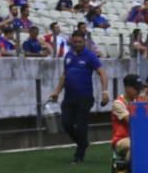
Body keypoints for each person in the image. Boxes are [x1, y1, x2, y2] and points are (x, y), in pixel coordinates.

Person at [46, 28, 108, 164]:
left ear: (84, 42)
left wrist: (105, 92)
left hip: (84, 97)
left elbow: (102, 73)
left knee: (81, 125)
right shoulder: (68, 56)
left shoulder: (90, 56)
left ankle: (79, 155)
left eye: (80, 42)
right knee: (66, 123)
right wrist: (56, 91)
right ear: (72, 42)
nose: (77, 44)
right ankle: (82, 142)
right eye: (75, 42)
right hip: (69, 97)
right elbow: (64, 75)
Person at [111, 72, 143, 162]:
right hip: (121, 139)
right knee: (136, 145)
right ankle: (130, 170)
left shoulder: (139, 100)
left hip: (138, 137)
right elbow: (132, 122)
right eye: (136, 88)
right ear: (127, 88)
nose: (139, 91)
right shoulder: (118, 104)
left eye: (139, 88)